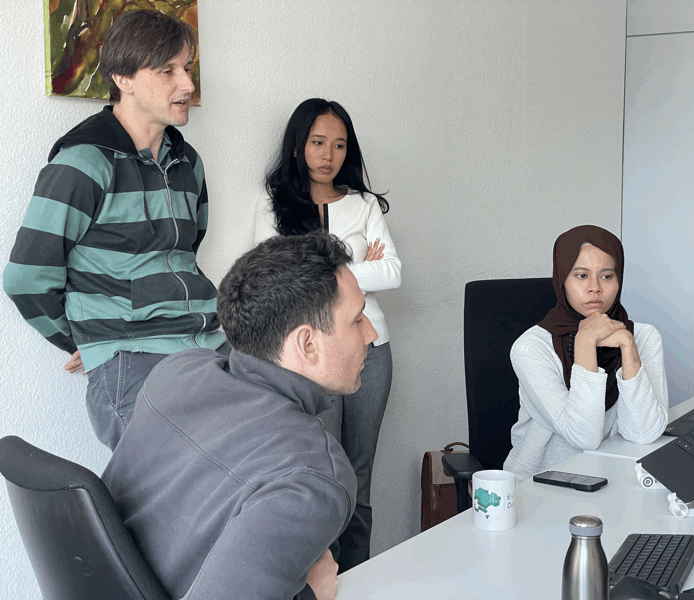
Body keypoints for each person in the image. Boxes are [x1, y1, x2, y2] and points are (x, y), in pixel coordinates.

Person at [103, 231, 376, 600]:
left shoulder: (177, 371)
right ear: (307, 344)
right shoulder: (315, 476)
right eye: (357, 320)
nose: (371, 333)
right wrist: (311, 594)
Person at [3, 10, 226, 450]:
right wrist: (89, 340)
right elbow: (26, 277)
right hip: (134, 358)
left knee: (276, 456)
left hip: (208, 346)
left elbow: (185, 251)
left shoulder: (189, 163)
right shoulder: (82, 163)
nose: (187, 84)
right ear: (123, 77)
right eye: (168, 71)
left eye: (187, 68)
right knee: (179, 493)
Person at [255, 98, 401, 571]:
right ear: (298, 146)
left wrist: (323, 269)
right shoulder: (273, 202)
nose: (328, 154)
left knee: (359, 473)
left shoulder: (364, 205)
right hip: (308, 358)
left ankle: (357, 578)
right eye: (318, 142)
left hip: (370, 349)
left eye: (339, 145)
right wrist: (360, 267)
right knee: (322, 473)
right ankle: (320, 581)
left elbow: (394, 272)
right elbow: (271, 278)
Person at [503, 225, 668, 481]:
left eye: (607, 276)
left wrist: (628, 348)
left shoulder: (642, 337)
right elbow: (583, 436)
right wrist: (585, 344)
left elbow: (644, 433)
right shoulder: (532, 348)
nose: (595, 288)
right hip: (541, 484)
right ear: (561, 280)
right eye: (581, 276)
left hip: (615, 476)